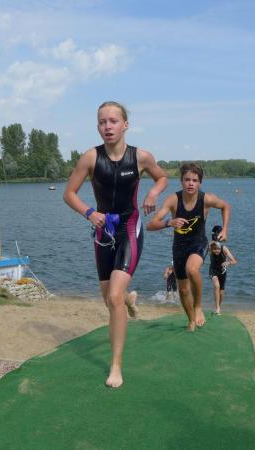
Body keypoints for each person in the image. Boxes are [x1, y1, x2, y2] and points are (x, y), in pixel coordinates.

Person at [63, 101, 168, 388]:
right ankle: (129, 300)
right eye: (102, 122)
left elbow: (162, 177)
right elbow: (69, 193)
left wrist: (153, 194)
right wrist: (89, 212)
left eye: (113, 121)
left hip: (129, 227)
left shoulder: (140, 157)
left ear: (125, 125)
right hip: (102, 230)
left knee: (113, 296)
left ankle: (116, 366)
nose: (107, 127)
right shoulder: (90, 158)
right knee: (111, 300)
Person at [148, 162, 231, 332]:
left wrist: (224, 229)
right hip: (179, 247)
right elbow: (151, 225)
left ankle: (198, 306)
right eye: (187, 180)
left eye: (194, 180)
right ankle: (191, 319)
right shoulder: (173, 200)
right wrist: (169, 222)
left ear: (200, 182)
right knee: (184, 290)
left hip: (198, 243)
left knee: (192, 270)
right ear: (181, 181)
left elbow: (225, 206)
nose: (191, 183)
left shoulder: (206, 199)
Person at [208, 240, 237, 315]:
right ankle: (217, 308)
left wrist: (228, 262)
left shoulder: (224, 249)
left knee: (221, 293)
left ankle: (218, 307)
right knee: (216, 286)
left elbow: (234, 261)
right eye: (214, 249)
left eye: (218, 249)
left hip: (222, 272)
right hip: (213, 271)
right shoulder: (210, 248)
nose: (216, 251)